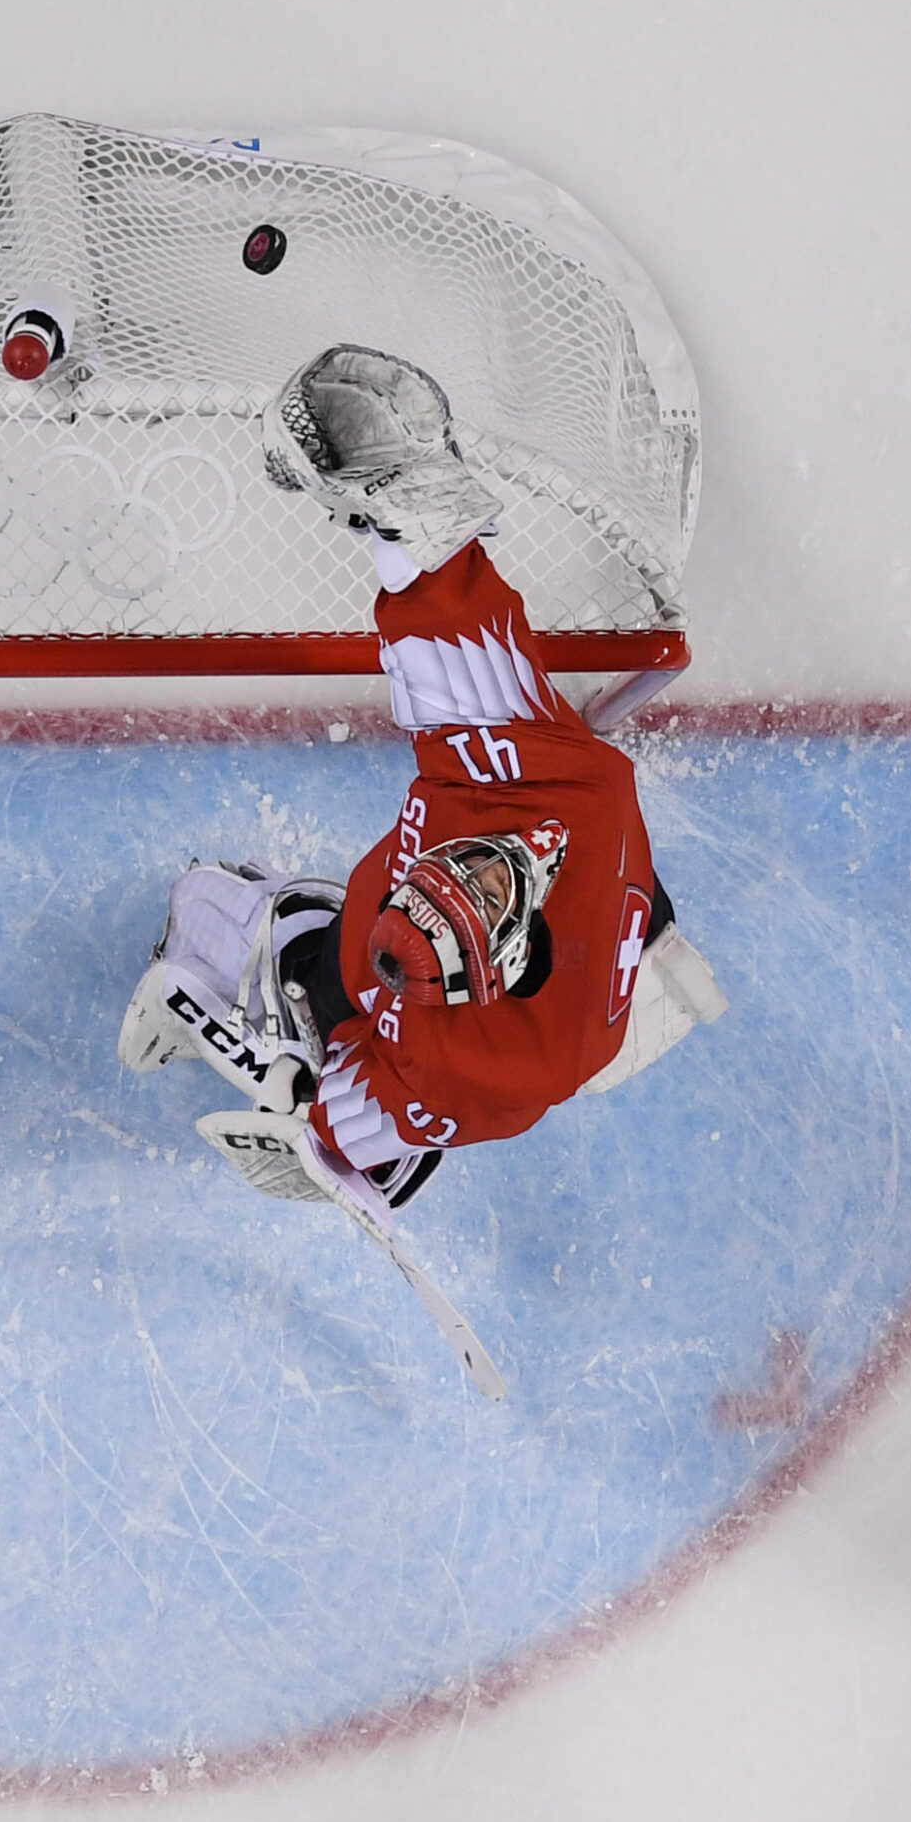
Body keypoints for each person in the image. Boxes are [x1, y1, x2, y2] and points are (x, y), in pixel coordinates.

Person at [118, 346, 724, 1220]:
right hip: (571, 953)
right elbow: (453, 626)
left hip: (510, 1029)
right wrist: (402, 504)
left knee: (264, 951)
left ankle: (302, 991)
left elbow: (371, 1116)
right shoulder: (543, 793)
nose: (466, 867)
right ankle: (303, 963)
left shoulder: (495, 1064)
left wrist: (312, 1126)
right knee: (245, 918)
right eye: (467, 871)